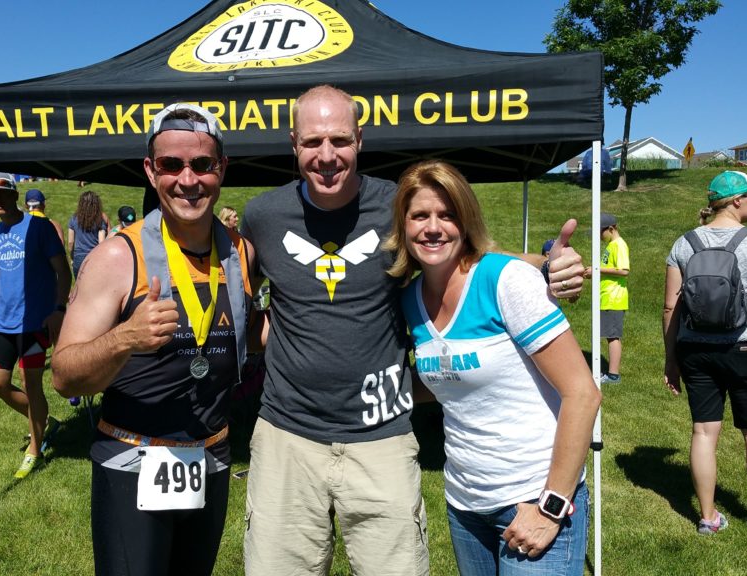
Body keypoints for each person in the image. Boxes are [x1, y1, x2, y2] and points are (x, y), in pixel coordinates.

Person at [239, 84, 585, 576]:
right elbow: (238, 305)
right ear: (293, 143)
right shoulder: (262, 215)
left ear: (360, 138)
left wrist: (546, 266)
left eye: (339, 140)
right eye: (312, 142)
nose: (327, 155)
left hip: (381, 438)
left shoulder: (397, 205)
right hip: (286, 436)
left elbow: (465, 255)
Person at [52, 103, 254, 576]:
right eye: (171, 165)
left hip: (211, 456)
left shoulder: (241, 252)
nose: (188, 179)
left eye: (202, 164)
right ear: (150, 170)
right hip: (132, 456)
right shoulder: (116, 257)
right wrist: (125, 337)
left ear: (221, 169)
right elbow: (64, 375)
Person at [385, 159, 600, 575]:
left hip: (533, 499)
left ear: (465, 221)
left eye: (447, 215)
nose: (433, 227)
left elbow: (583, 393)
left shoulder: (504, 280)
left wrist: (551, 506)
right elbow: (448, 379)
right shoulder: (411, 300)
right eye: (420, 216)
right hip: (465, 505)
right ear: (403, 225)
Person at [663, 171, 747, 539]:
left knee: (704, 432)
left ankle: (707, 517)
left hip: (695, 350)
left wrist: (671, 359)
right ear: (736, 200)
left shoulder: (684, 243)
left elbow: (669, 309)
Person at [0, 172, 71, 479]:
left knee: (32, 384)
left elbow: (63, 272)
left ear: (15, 196)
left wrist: (58, 308)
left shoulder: (39, 227)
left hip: (34, 323)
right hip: (3, 324)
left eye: (2, 194)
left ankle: (35, 450)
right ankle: (42, 421)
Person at [599, 212, 629, 384]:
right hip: (607, 297)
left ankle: (613, 375)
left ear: (610, 229)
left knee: (613, 336)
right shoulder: (611, 245)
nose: (599, 237)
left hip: (615, 298)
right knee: (609, 335)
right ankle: (611, 372)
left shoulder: (619, 245)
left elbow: (624, 271)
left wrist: (598, 269)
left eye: (600, 233)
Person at [67, 190, 109, 279]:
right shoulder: (99, 220)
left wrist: (72, 258)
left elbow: (70, 243)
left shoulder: (74, 218)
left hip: (78, 259)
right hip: (94, 258)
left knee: (79, 288)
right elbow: (101, 243)